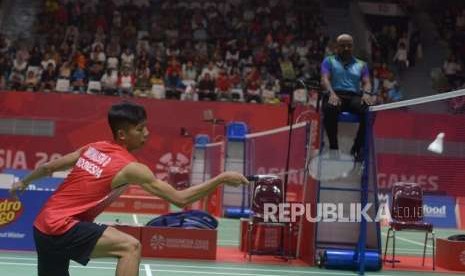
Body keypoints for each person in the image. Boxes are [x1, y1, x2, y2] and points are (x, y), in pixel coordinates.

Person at [9, 102, 248, 276]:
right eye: (140, 129)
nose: (147, 133)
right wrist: (222, 178)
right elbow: (179, 198)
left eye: (146, 127)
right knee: (130, 247)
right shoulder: (131, 168)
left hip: (42, 227)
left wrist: (24, 182)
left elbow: (50, 167)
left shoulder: (93, 147)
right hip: (62, 227)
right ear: (122, 134)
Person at [320, 34, 374, 161]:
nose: (346, 48)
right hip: (335, 93)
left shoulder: (362, 64)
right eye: (342, 45)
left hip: (353, 96)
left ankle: (356, 148)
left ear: (352, 47)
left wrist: (366, 94)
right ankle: (334, 149)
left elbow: (367, 82)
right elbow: (324, 79)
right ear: (336, 47)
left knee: (369, 111)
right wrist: (331, 93)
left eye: (349, 45)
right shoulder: (329, 61)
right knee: (329, 108)